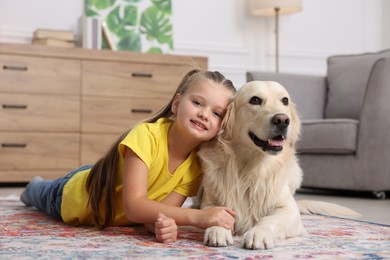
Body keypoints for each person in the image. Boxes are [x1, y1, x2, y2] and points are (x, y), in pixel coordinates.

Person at [20, 69, 237, 243]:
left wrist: (162, 226)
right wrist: (198, 217)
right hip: (71, 196)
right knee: (39, 193)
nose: (204, 114)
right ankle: (33, 187)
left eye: (216, 113)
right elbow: (135, 207)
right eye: (197, 103)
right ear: (177, 103)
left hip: (110, 186)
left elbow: (157, 212)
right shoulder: (146, 135)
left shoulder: (197, 166)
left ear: (222, 125)